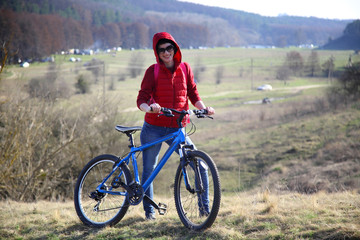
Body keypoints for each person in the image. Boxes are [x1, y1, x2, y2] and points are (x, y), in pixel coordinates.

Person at [136, 32, 215, 220]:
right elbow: (141, 100)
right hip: (153, 128)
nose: (166, 52)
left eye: (169, 48)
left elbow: (193, 94)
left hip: (177, 128)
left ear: (175, 48)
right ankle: (149, 214)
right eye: (161, 49)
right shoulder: (152, 71)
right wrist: (151, 108)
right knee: (150, 171)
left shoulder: (185, 69)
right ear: (157, 52)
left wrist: (204, 109)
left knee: (200, 165)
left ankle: (204, 210)